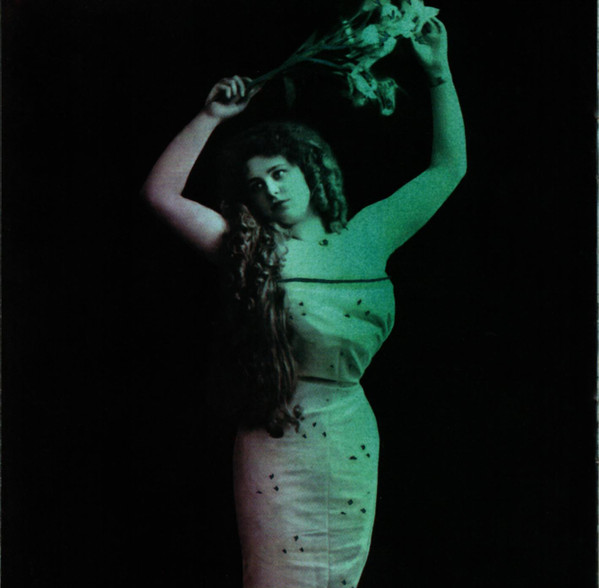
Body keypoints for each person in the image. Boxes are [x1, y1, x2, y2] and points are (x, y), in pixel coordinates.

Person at [141, 16, 465, 588]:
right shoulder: (252, 250)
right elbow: (160, 193)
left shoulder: (369, 237)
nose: (271, 189)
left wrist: (438, 71)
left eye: (280, 173)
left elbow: (448, 168)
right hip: (277, 433)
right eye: (257, 185)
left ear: (309, 170)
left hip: (349, 433)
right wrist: (211, 116)